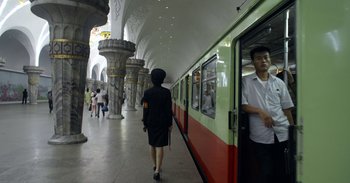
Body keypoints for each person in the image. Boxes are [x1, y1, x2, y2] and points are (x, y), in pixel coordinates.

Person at [241, 46, 294, 183]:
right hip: (260, 135)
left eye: (266, 57)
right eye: (259, 58)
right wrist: (260, 111)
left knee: (282, 170)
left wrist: (293, 131)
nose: (263, 61)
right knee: (265, 171)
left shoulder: (279, 83)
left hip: (282, 133)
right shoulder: (246, 82)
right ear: (253, 62)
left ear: (270, 60)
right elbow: (243, 105)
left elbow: (287, 108)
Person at [142, 68, 173, 181]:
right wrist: (170, 123)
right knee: (160, 146)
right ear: (162, 79)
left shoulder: (147, 93)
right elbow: (169, 110)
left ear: (152, 79)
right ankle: (157, 171)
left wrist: (145, 122)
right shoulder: (166, 93)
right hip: (163, 123)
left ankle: (154, 165)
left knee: (152, 145)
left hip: (151, 122)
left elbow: (145, 109)